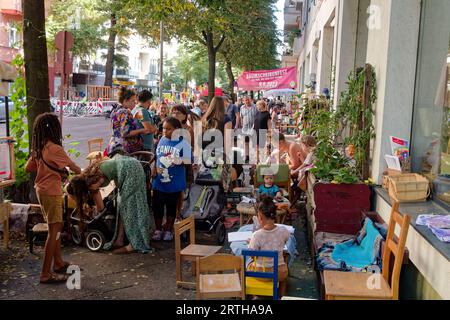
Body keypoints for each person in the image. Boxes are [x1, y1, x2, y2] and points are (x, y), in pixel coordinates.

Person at [25, 113, 82, 284]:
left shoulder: (40, 147)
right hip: (51, 192)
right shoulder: (54, 148)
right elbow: (76, 169)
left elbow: (29, 167)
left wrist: (44, 166)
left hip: (42, 191)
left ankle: (58, 263)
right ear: (54, 129)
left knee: (55, 226)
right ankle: (45, 273)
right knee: (54, 230)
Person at [68, 154, 154, 254]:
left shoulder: (92, 183)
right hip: (131, 166)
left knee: (130, 207)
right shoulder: (89, 174)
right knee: (121, 206)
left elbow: (100, 207)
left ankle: (134, 244)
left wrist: (94, 212)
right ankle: (119, 240)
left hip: (131, 172)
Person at [152, 117, 192, 241]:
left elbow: (189, 160)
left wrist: (177, 161)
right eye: (164, 128)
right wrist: (154, 167)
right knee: (157, 206)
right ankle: (158, 229)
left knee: (171, 206)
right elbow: (157, 156)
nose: (165, 131)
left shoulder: (183, 143)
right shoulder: (162, 139)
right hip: (159, 181)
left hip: (174, 182)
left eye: (169, 129)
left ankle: (168, 229)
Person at [248, 196, 290, 288]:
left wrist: (250, 242)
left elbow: (252, 255)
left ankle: (254, 294)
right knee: (285, 257)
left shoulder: (256, 235)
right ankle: (281, 294)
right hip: (280, 273)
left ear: (260, 218)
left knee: (248, 263)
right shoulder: (283, 230)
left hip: (261, 273)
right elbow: (286, 239)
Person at [107, 87, 150, 156]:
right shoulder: (125, 112)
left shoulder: (115, 110)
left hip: (114, 145)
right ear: (125, 100)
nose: (135, 103)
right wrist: (141, 130)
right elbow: (125, 133)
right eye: (132, 101)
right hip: (123, 149)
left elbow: (115, 128)